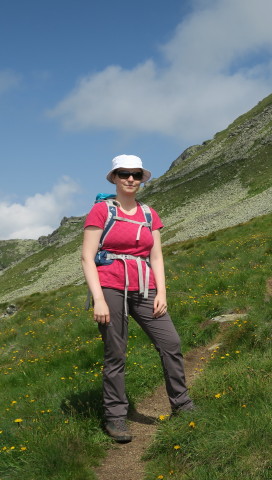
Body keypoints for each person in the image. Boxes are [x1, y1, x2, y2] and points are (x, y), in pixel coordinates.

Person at [81, 154, 194, 443]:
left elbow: (156, 256)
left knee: (171, 343)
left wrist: (162, 294)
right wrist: (99, 300)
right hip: (110, 286)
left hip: (145, 288)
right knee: (115, 353)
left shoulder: (149, 214)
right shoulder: (101, 211)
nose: (130, 179)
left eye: (136, 174)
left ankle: (182, 406)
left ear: (142, 178)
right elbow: (86, 258)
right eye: (123, 174)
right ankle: (116, 417)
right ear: (114, 178)